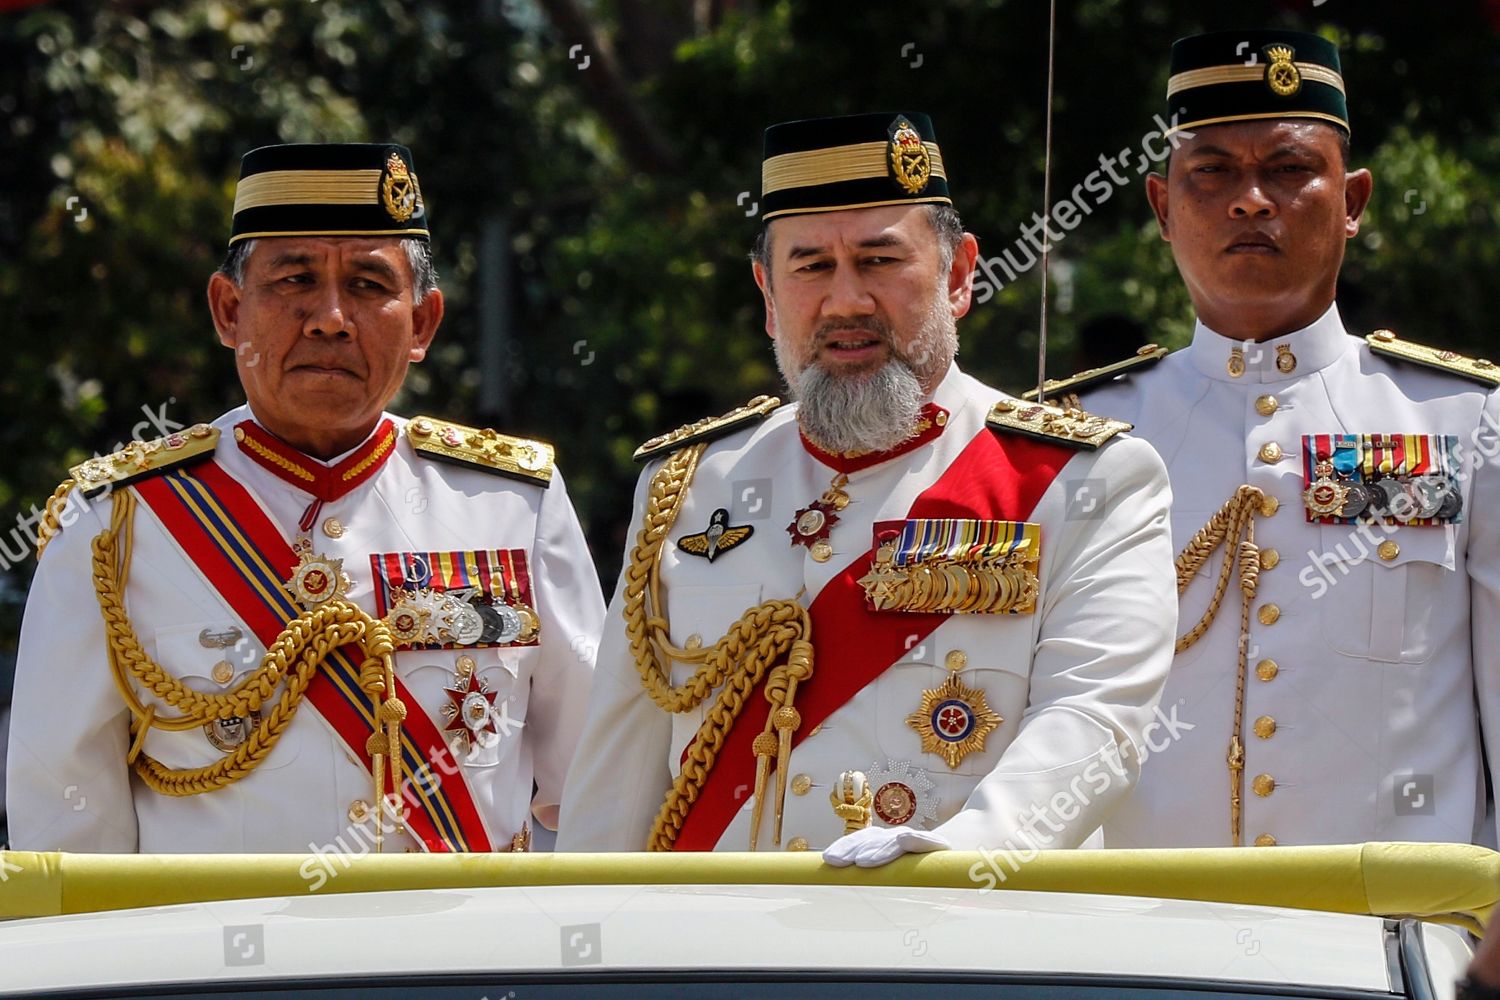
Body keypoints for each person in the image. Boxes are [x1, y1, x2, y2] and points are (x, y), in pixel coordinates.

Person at [557, 112, 1177, 865]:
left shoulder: (1084, 479)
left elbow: (1097, 718)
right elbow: (617, 774)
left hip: (956, 948)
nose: (845, 301)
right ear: (767, 290)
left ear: (957, 275)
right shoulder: (685, 484)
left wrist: (964, 856)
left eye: (880, 261)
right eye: (811, 266)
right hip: (717, 959)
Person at [6, 143, 604, 854]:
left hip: (458, 962)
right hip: (218, 964)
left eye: (366, 284)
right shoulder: (115, 525)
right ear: (229, 311)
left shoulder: (513, 505)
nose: (329, 317)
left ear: (422, 324)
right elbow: (65, 829)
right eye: (293, 280)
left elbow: (598, 785)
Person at [1047, 30, 1500, 848]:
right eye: (1212, 171)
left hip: (1384, 950)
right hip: (1135, 949)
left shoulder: (1464, 423)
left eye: (1290, 170)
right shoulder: (1080, 438)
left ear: (1354, 201)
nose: (1251, 199)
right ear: (1160, 207)